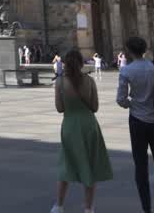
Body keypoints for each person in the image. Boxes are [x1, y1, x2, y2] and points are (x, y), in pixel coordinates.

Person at [51, 49, 112, 213]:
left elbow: (59, 108)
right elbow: (95, 107)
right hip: (89, 125)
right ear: (81, 63)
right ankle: (88, 208)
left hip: (70, 125)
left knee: (66, 165)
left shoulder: (60, 83)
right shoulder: (90, 81)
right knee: (89, 165)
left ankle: (59, 206)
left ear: (65, 64)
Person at [117, 36, 154, 213]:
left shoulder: (126, 71)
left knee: (141, 167)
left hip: (137, 122)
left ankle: (146, 208)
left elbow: (121, 100)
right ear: (144, 49)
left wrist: (133, 103)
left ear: (129, 51)